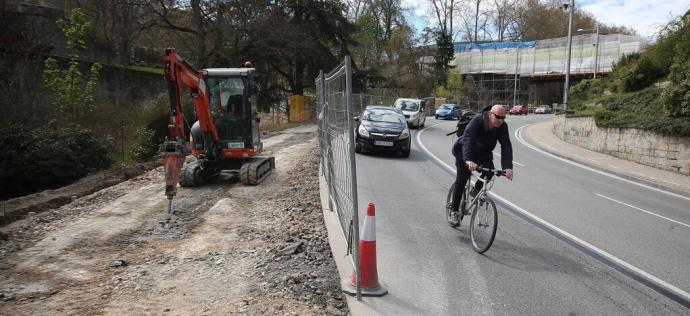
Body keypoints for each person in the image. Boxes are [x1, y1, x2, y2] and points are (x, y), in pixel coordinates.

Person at [451, 104, 514, 218]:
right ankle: (454, 211)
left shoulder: (502, 127)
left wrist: (508, 167)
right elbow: (468, 139)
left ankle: (476, 190)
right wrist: (468, 160)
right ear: (490, 115)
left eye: (503, 118)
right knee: (461, 180)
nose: (500, 120)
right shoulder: (478, 120)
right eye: (498, 117)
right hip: (464, 151)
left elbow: (506, 146)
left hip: (483, 154)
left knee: (490, 172)